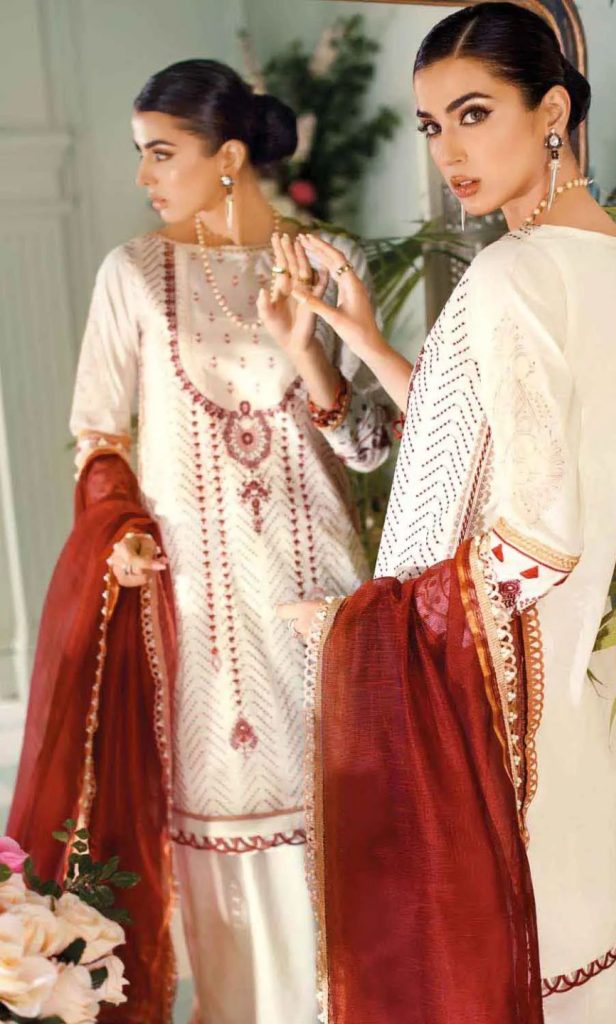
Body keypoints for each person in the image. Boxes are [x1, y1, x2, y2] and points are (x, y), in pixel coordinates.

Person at [280, 5, 616, 1023]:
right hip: (570, 697)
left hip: (489, 730)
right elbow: (493, 442)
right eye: (431, 124)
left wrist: (356, 624)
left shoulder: (510, 272)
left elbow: (535, 538)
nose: (448, 151)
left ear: (551, 110)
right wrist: (358, 339)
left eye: (474, 112)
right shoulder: (603, 255)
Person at [7, 59, 392, 1024]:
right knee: (223, 844)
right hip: (201, 615)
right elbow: (99, 434)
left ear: (226, 156)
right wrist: (121, 532)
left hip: (317, 596)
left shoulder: (330, 260)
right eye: (140, 154)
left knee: (340, 834)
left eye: (160, 153)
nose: (143, 175)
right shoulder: (133, 274)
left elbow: (368, 443)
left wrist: (312, 353)